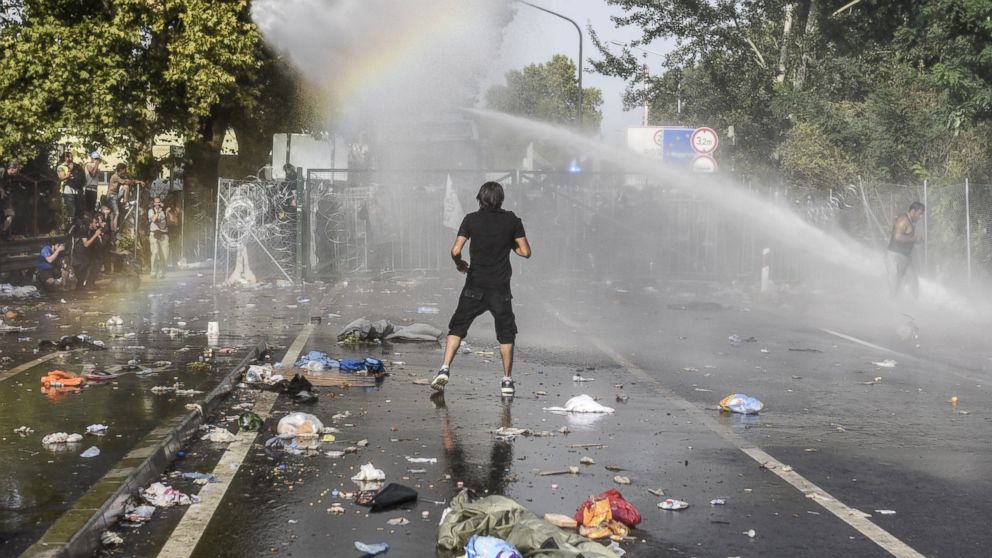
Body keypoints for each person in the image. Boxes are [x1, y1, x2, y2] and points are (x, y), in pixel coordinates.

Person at [431, 181, 531, 397]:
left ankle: (445, 368)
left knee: (457, 327)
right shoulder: (512, 220)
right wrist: (509, 244)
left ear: (480, 198)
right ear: (501, 199)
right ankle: (506, 381)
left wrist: (460, 264)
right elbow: (525, 252)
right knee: (506, 333)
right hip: (500, 288)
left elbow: (455, 249)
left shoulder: (471, 219)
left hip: (475, 285)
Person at [887, 201, 924, 299]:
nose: (921, 217)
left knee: (912, 280)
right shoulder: (904, 220)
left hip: (904, 257)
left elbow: (905, 237)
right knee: (894, 283)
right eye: (919, 214)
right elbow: (897, 237)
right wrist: (914, 239)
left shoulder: (911, 221)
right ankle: (891, 305)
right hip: (895, 257)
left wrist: (915, 240)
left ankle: (909, 304)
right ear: (913, 211)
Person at [72, 214, 104, 290]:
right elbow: (86, 244)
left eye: (97, 223)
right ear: (90, 223)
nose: (97, 224)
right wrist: (95, 235)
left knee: (97, 263)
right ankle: (81, 285)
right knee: (83, 271)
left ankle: (90, 283)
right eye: (95, 222)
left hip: (88, 254)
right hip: (80, 255)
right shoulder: (83, 229)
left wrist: (99, 237)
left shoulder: (93, 230)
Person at [107, 163, 139, 233]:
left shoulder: (121, 176)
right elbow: (126, 182)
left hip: (116, 195)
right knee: (116, 213)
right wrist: (132, 182)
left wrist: (138, 181)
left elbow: (129, 181)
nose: (124, 173)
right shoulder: (115, 176)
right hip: (111, 196)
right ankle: (114, 230)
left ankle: (125, 201)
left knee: (126, 187)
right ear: (120, 170)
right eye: (124, 171)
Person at [147, 196, 172, 279]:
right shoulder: (151, 211)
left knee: (165, 254)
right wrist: (158, 212)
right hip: (154, 234)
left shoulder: (164, 211)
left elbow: (169, 221)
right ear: (154, 203)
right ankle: (153, 272)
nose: (158, 204)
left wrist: (167, 212)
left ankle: (162, 272)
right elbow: (153, 220)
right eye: (156, 202)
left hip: (164, 234)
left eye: (159, 202)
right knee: (155, 252)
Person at [0, 160, 19, 239]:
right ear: (12, 168)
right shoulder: (2, 171)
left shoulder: (10, 177)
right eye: (16, 169)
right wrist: (1, 190)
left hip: (2, 198)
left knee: (10, 215)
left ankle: (2, 232)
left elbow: (7, 189)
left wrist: (6, 192)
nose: (17, 171)